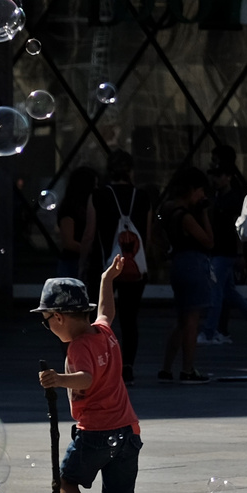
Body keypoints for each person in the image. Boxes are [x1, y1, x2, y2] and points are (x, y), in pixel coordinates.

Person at [33, 267, 153, 493]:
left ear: (58, 316)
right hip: (128, 433)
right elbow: (106, 311)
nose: (47, 327)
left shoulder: (78, 347)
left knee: (66, 483)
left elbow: (86, 377)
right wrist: (106, 280)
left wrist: (59, 379)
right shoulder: (104, 333)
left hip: (97, 434)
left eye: (45, 321)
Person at [80, 151, 151, 386]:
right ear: (131, 171)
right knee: (130, 319)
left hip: (104, 268)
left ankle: (98, 364)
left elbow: (90, 234)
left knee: (100, 318)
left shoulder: (98, 196)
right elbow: (147, 237)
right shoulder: (143, 196)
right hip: (134, 268)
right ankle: (127, 367)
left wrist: (83, 264)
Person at [158, 167, 214, 383]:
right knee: (192, 319)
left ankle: (166, 368)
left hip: (178, 263)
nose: (202, 196)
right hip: (193, 264)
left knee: (181, 319)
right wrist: (204, 214)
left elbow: (155, 234)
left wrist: (167, 249)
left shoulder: (168, 209)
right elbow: (209, 241)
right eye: (200, 191)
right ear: (191, 191)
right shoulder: (186, 216)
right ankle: (188, 369)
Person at [198, 146, 247, 345]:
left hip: (226, 251)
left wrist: (240, 254)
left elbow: (237, 229)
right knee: (230, 293)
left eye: (220, 175)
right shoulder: (217, 198)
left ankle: (209, 331)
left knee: (216, 291)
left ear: (229, 177)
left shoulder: (234, 199)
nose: (216, 179)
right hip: (220, 250)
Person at [55, 166, 98, 278]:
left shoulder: (88, 208)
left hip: (82, 261)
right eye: (95, 185)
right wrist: (92, 250)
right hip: (73, 262)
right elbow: (69, 243)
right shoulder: (69, 209)